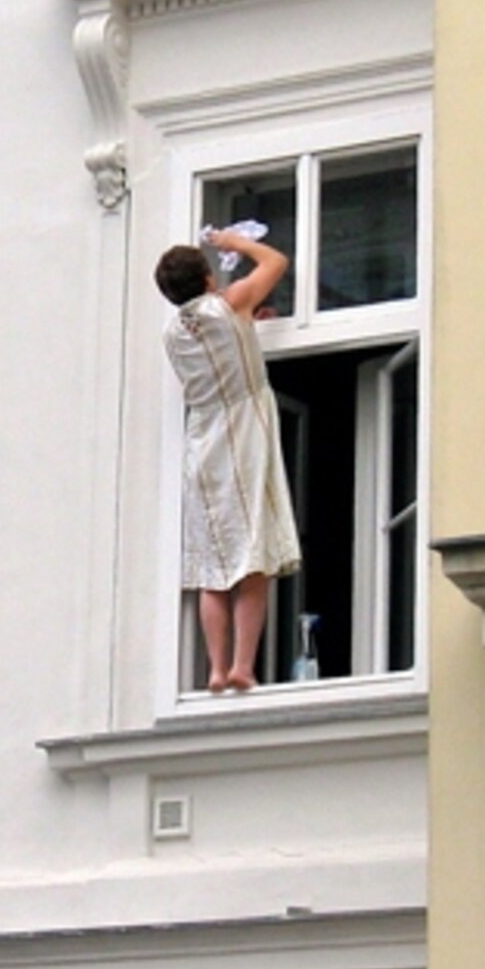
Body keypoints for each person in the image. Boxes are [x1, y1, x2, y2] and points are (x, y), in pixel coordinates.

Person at [155, 227, 301, 693]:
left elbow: (218, 348)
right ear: (207, 279)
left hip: (203, 441)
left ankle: (214, 670)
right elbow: (275, 261)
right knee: (251, 559)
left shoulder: (174, 331)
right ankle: (242, 665)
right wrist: (236, 243)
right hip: (243, 435)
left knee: (211, 567)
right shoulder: (228, 303)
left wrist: (247, 325)